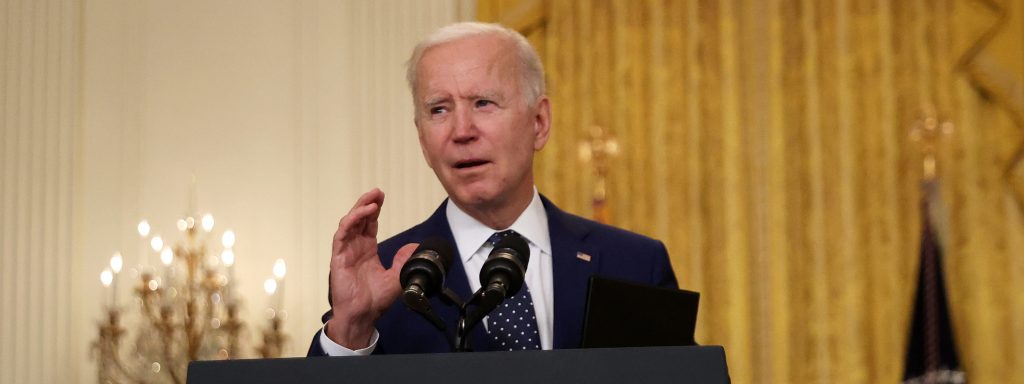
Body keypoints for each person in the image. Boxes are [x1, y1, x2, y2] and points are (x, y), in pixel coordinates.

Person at [307, 22, 677, 356]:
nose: (462, 130)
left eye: (483, 103)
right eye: (438, 110)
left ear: (539, 122)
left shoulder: (633, 264)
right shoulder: (383, 276)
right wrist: (351, 330)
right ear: (422, 139)